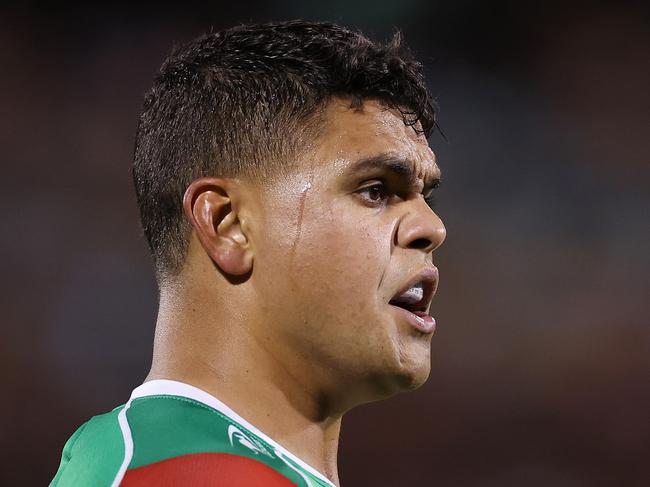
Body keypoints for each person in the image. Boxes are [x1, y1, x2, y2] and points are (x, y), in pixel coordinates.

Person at [50, 19, 446, 487]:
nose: (432, 228)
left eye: (427, 198)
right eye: (375, 190)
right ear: (228, 225)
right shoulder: (180, 475)